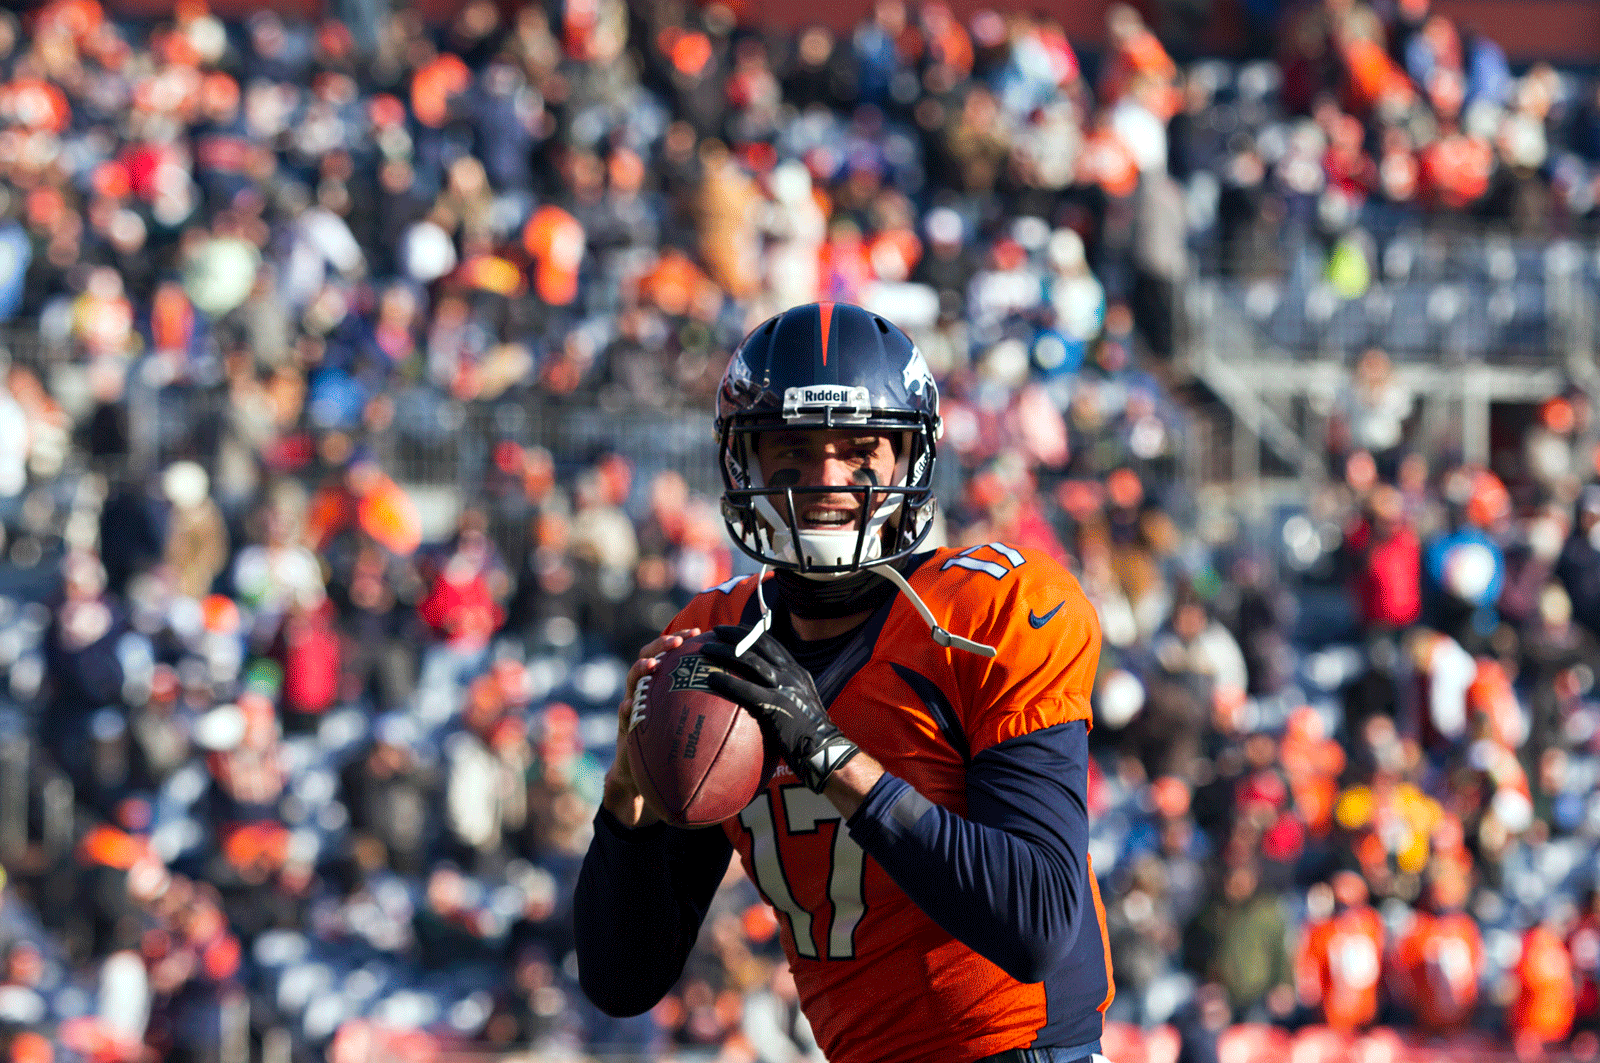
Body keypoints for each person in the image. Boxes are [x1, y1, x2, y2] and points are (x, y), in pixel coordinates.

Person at [575, 302, 1113, 1063]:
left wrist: (826, 752)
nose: (828, 480)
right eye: (791, 449)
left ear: (908, 460)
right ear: (744, 463)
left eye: (861, 451)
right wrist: (628, 804)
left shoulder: (988, 610)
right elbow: (622, 978)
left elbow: (1037, 925)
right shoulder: (716, 637)